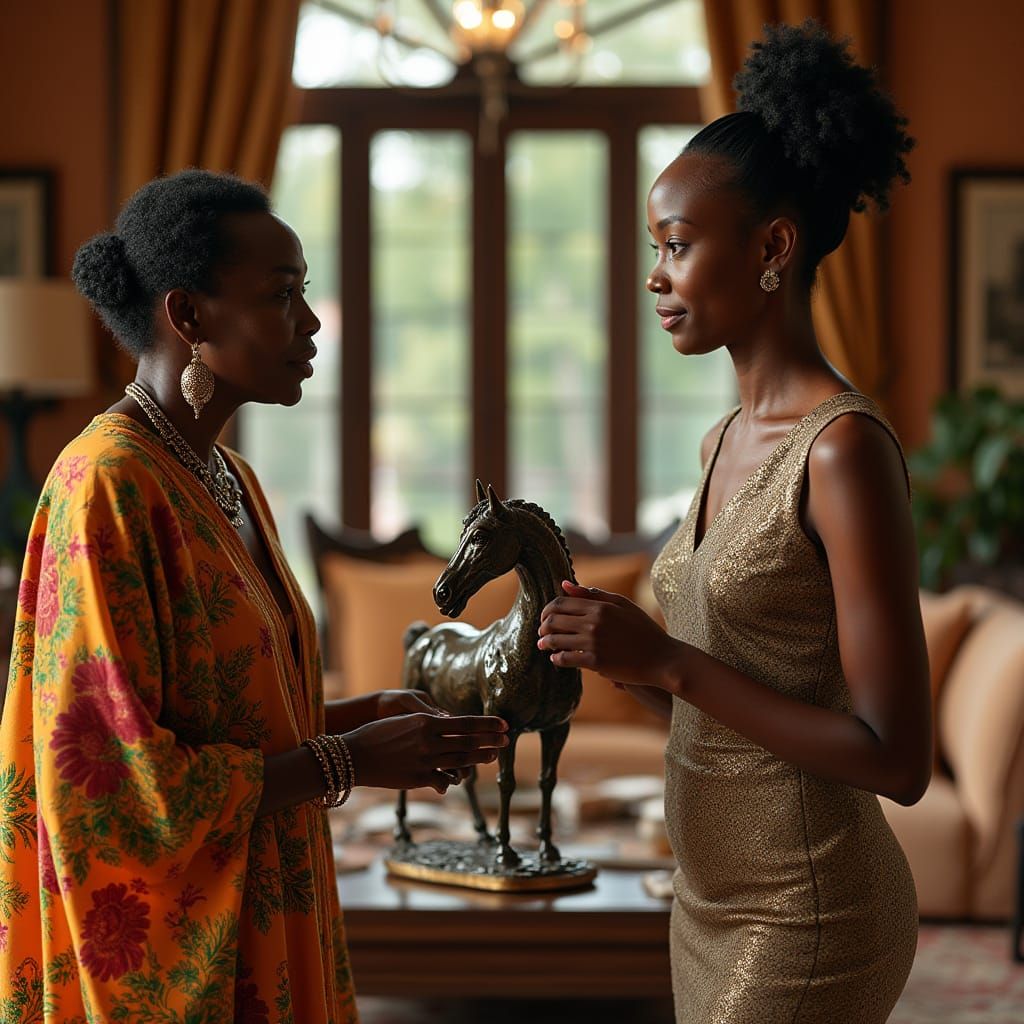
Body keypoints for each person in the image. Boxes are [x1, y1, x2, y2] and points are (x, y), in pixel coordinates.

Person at [0, 169, 509, 1021]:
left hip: (268, 903)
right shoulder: (107, 485)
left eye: (304, 292)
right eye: (282, 294)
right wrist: (347, 761)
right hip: (171, 955)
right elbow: (114, 785)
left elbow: (229, 715)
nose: (310, 322)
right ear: (189, 316)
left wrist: (357, 718)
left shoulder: (229, 477)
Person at [538, 21, 928, 1024]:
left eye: (676, 245)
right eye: (654, 250)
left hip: (808, 909)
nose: (655, 276)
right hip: (705, 902)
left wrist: (668, 662)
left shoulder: (840, 450)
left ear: (772, 247)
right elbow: (733, 694)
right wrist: (623, 658)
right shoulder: (719, 441)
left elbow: (897, 758)